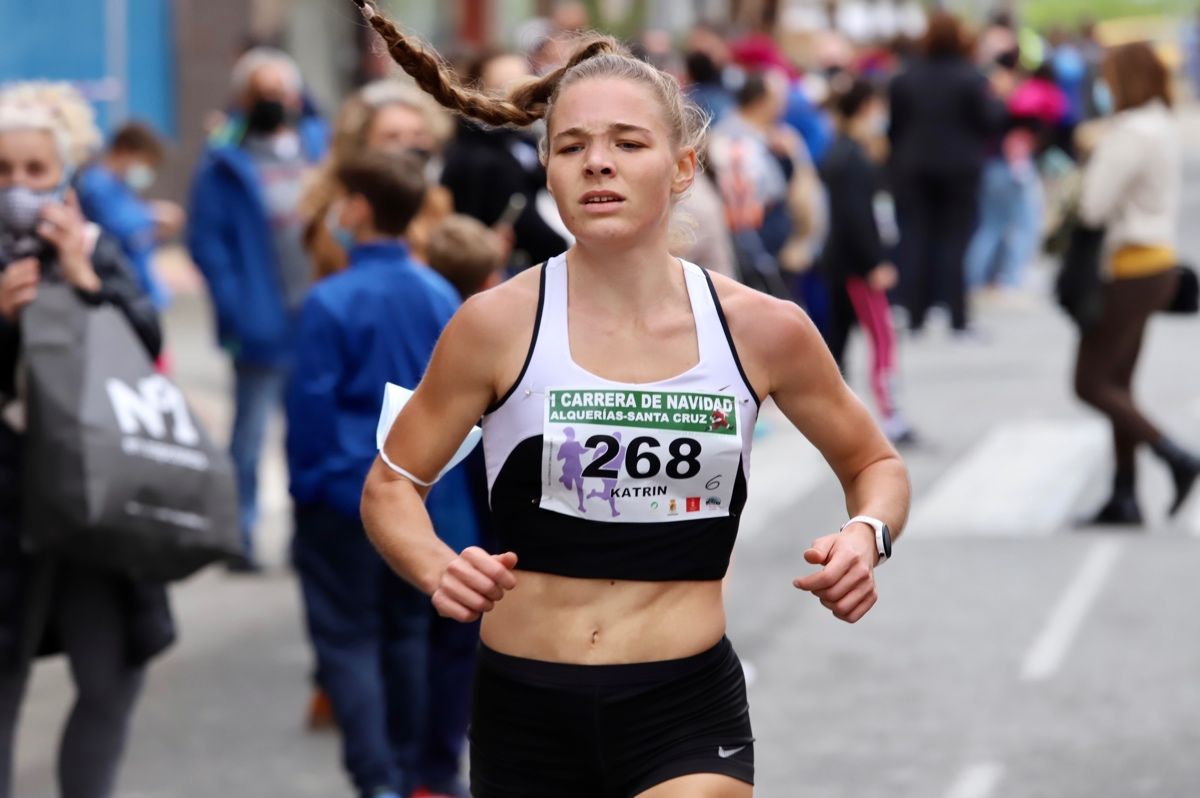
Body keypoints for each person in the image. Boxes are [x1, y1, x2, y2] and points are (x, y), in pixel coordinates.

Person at [351, 3, 911, 797]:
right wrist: (437, 567)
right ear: (547, 170)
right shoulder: (494, 325)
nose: (597, 164)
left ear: (682, 168)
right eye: (571, 146)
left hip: (683, 706)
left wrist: (868, 534)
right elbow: (391, 484)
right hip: (525, 704)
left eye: (628, 143)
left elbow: (874, 460)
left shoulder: (763, 330)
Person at [287, 150, 477, 798]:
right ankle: (406, 766)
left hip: (342, 492)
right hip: (421, 496)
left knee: (347, 641)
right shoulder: (438, 291)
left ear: (360, 207)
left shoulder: (329, 300)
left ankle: (376, 780)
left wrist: (307, 486)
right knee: (406, 635)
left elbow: (310, 405)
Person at [0, 87, 173, 798]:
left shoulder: (98, 249)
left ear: (66, 177)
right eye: (2, 173)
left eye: (35, 171)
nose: (17, 188)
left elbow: (147, 347)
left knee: (110, 677)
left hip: (102, 497)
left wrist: (84, 280)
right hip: (12, 502)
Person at [187, 47, 328, 571]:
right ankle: (240, 537)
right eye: (260, 91)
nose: (272, 99)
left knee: (310, 434)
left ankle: (306, 538)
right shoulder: (224, 161)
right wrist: (236, 305)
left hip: (315, 319)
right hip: (259, 324)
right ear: (243, 99)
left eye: (280, 89)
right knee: (247, 438)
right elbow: (207, 242)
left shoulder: (319, 148)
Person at [1073, 42, 1198, 525]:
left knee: (1090, 382)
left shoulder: (1129, 132)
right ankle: (1124, 495)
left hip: (1127, 267)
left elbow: (1092, 206)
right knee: (1118, 383)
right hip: (1158, 265)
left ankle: (1176, 457)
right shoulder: (1162, 123)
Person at [888, 11, 1004, 335]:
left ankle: (915, 314)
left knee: (914, 238)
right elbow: (989, 122)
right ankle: (957, 315)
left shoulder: (905, 78)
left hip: (913, 167)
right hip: (959, 169)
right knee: (955, 241)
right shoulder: (971, 78)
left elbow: (895, 128)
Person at [819, 79, 915, 446]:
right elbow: (856, 217)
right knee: (882, 338)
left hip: (846, 263)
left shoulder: (846, 151)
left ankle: (838, 419)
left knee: (839, 343)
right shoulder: (852, 158)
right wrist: (874, 262)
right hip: (858, 267)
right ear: (865, 109)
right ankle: (891, 418)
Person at [300, 80, 455, 280]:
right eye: (392, 137)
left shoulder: (436, 198)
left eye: (418, 135)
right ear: (361, 145)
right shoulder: (344, 208)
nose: (408, 146)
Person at [440, 50, 569, 272]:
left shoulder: (528, 140)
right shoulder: (474, 155)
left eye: (525, 84)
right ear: (479, 92)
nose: (519, 96)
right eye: (503, 86)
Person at [76, 122, 184, 311]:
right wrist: (152, 215)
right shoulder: (96, 183)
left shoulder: (121, 187)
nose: (145, 170)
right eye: (144, 162)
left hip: (141, 291)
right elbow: (118, 226)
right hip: (121, 294)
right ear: (126, 151)